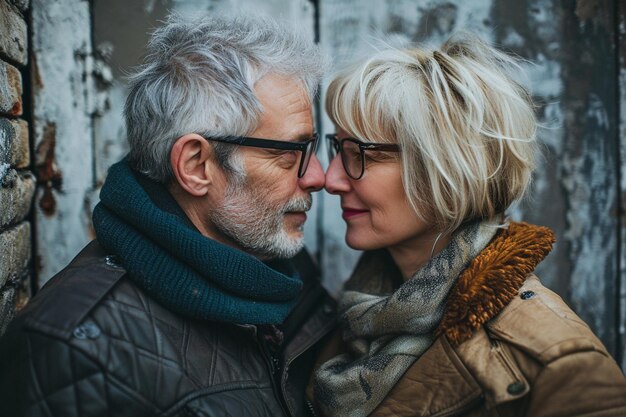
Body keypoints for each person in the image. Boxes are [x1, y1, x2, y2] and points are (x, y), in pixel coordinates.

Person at [0, 14, 335, 417]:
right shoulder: (76, 349)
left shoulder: (284, 271)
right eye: (289, 153)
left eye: (313, 147)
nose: (319, 177)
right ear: (196, 166)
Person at [308, 33, 626, 416]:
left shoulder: (557, 362)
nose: (332, 179)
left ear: (448, 167)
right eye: (336, 148)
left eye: (361, 153)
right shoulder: (350, 320)